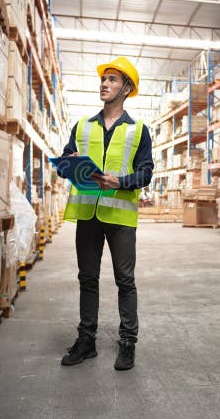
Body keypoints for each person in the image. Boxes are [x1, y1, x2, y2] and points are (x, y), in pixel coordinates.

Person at [58, 56, 153, 371]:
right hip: (87, 214)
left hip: (120, 217)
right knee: (87, 278)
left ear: (126, 88)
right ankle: (87, 341)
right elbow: (64, 161)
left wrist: (120, 181)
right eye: (103, 79)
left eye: (112, 80)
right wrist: (68, 161)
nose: (105, 84)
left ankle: (128, 343)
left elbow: (146, 174)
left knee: (125, 280)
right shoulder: (82, 125)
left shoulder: (139, 130)